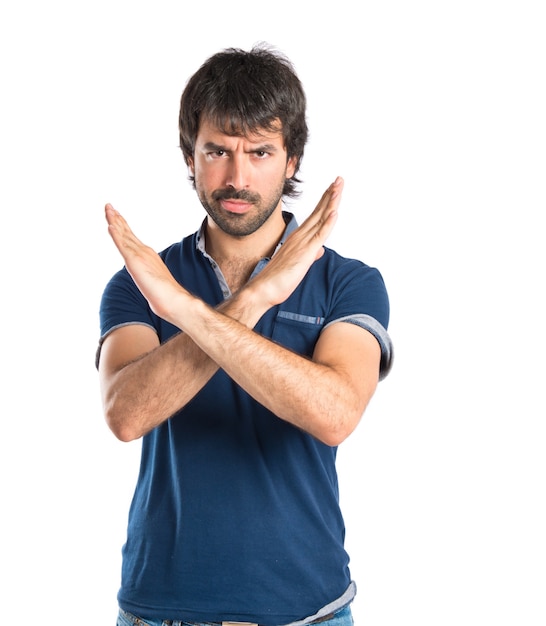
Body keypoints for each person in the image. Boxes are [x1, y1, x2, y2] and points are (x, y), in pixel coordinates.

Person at [96, 43, 393, 626]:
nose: (237, 177)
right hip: (162, 611)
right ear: (190, 155)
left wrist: (191, 312)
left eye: (260, 152)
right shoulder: (142, 283)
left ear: (291, 159)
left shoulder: (348, 283)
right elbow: (126, 414)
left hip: (308, 612)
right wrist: (254, 299)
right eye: (217, 151)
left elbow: (335, 414)